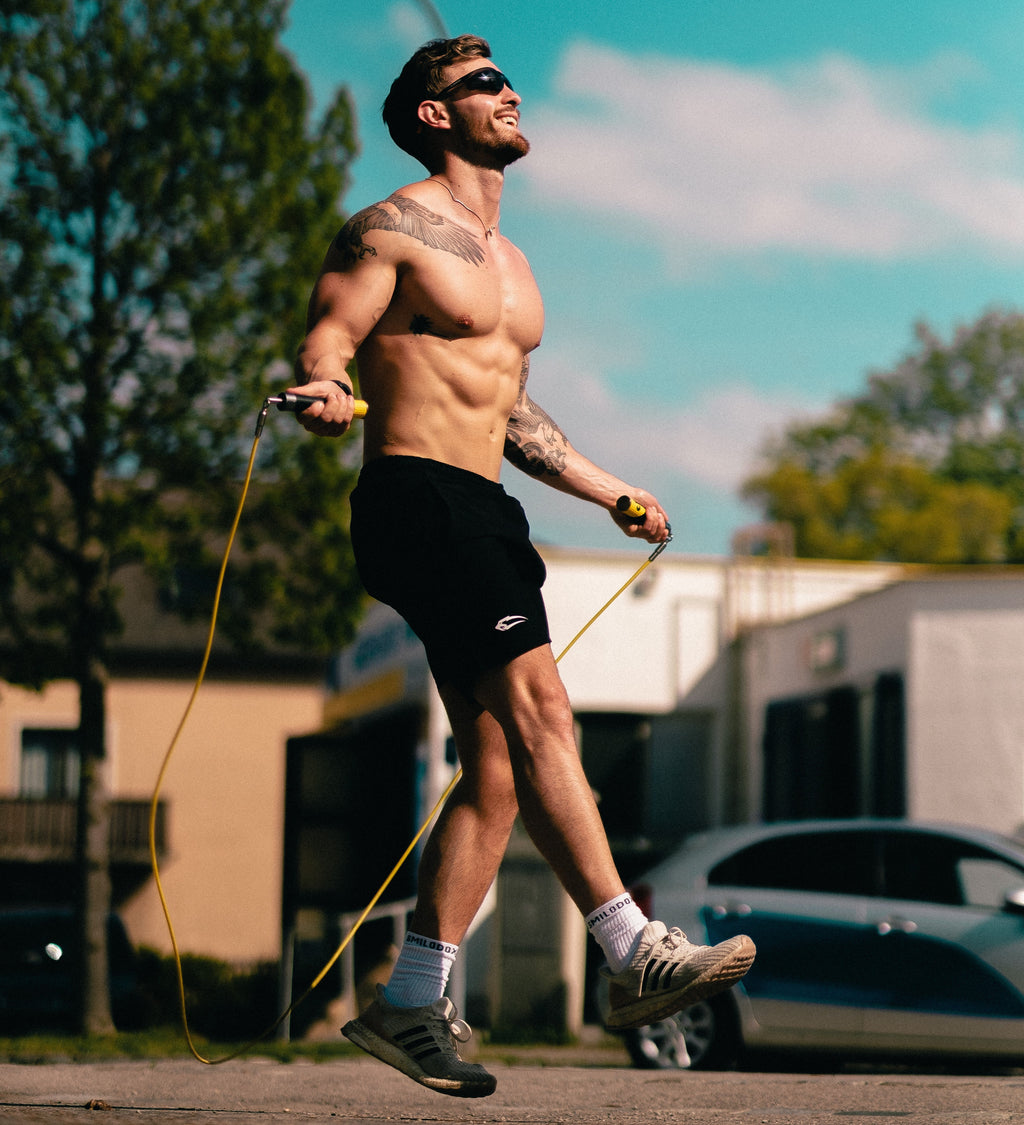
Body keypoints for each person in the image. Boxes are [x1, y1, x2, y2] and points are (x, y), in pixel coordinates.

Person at [289, 34, 754, 1098]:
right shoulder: (392, 227)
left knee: (498, 766)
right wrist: (319, 385)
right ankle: (633, 948)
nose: (508, 94)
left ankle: (412, 998)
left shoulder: (511, 264)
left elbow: (505, 409)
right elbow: (331, 334)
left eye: (505, 79)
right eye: (483, 84)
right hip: (416, 498)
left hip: (484, 505)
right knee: (545, 707)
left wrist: (608, 490)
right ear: (435, 115)